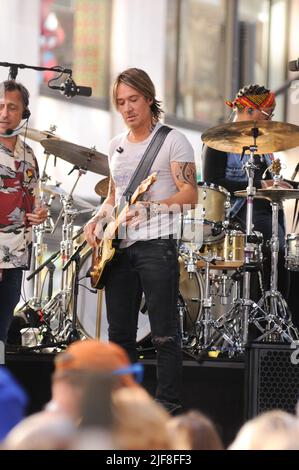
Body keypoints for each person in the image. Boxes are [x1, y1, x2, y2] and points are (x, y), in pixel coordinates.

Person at [84, 68, 197, 413]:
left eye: (133, 99)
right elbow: (115, 197)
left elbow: (191, 194)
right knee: (119, 335)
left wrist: (152, 208)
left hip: (157, 244)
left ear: (149, 98)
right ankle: (123, 406)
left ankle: (167, 405)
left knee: (164, 333)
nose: (128, 108)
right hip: (119, 247)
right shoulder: (115, 145)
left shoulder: (173, 140)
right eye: (120, 102)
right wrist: (98, 218)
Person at [202, 84, 292, 303]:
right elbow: (213, 183)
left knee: (287, 255)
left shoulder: (263, 145)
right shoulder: (219, 142)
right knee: (275, 249)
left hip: (269, 215)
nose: (271, 120)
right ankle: (261, 313)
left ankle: (278, 316)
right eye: (268, 114)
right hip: (238, 217)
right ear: (250, 110)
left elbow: (273, 181)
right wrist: (261, 184)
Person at [0, 80, 48, 344]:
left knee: (1, 335)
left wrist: (39, 214)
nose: (5, 113)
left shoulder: (29, 154)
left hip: (15, 258)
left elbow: (33, 202)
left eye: (12, 107)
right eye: (0, 106)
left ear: (24, 113)